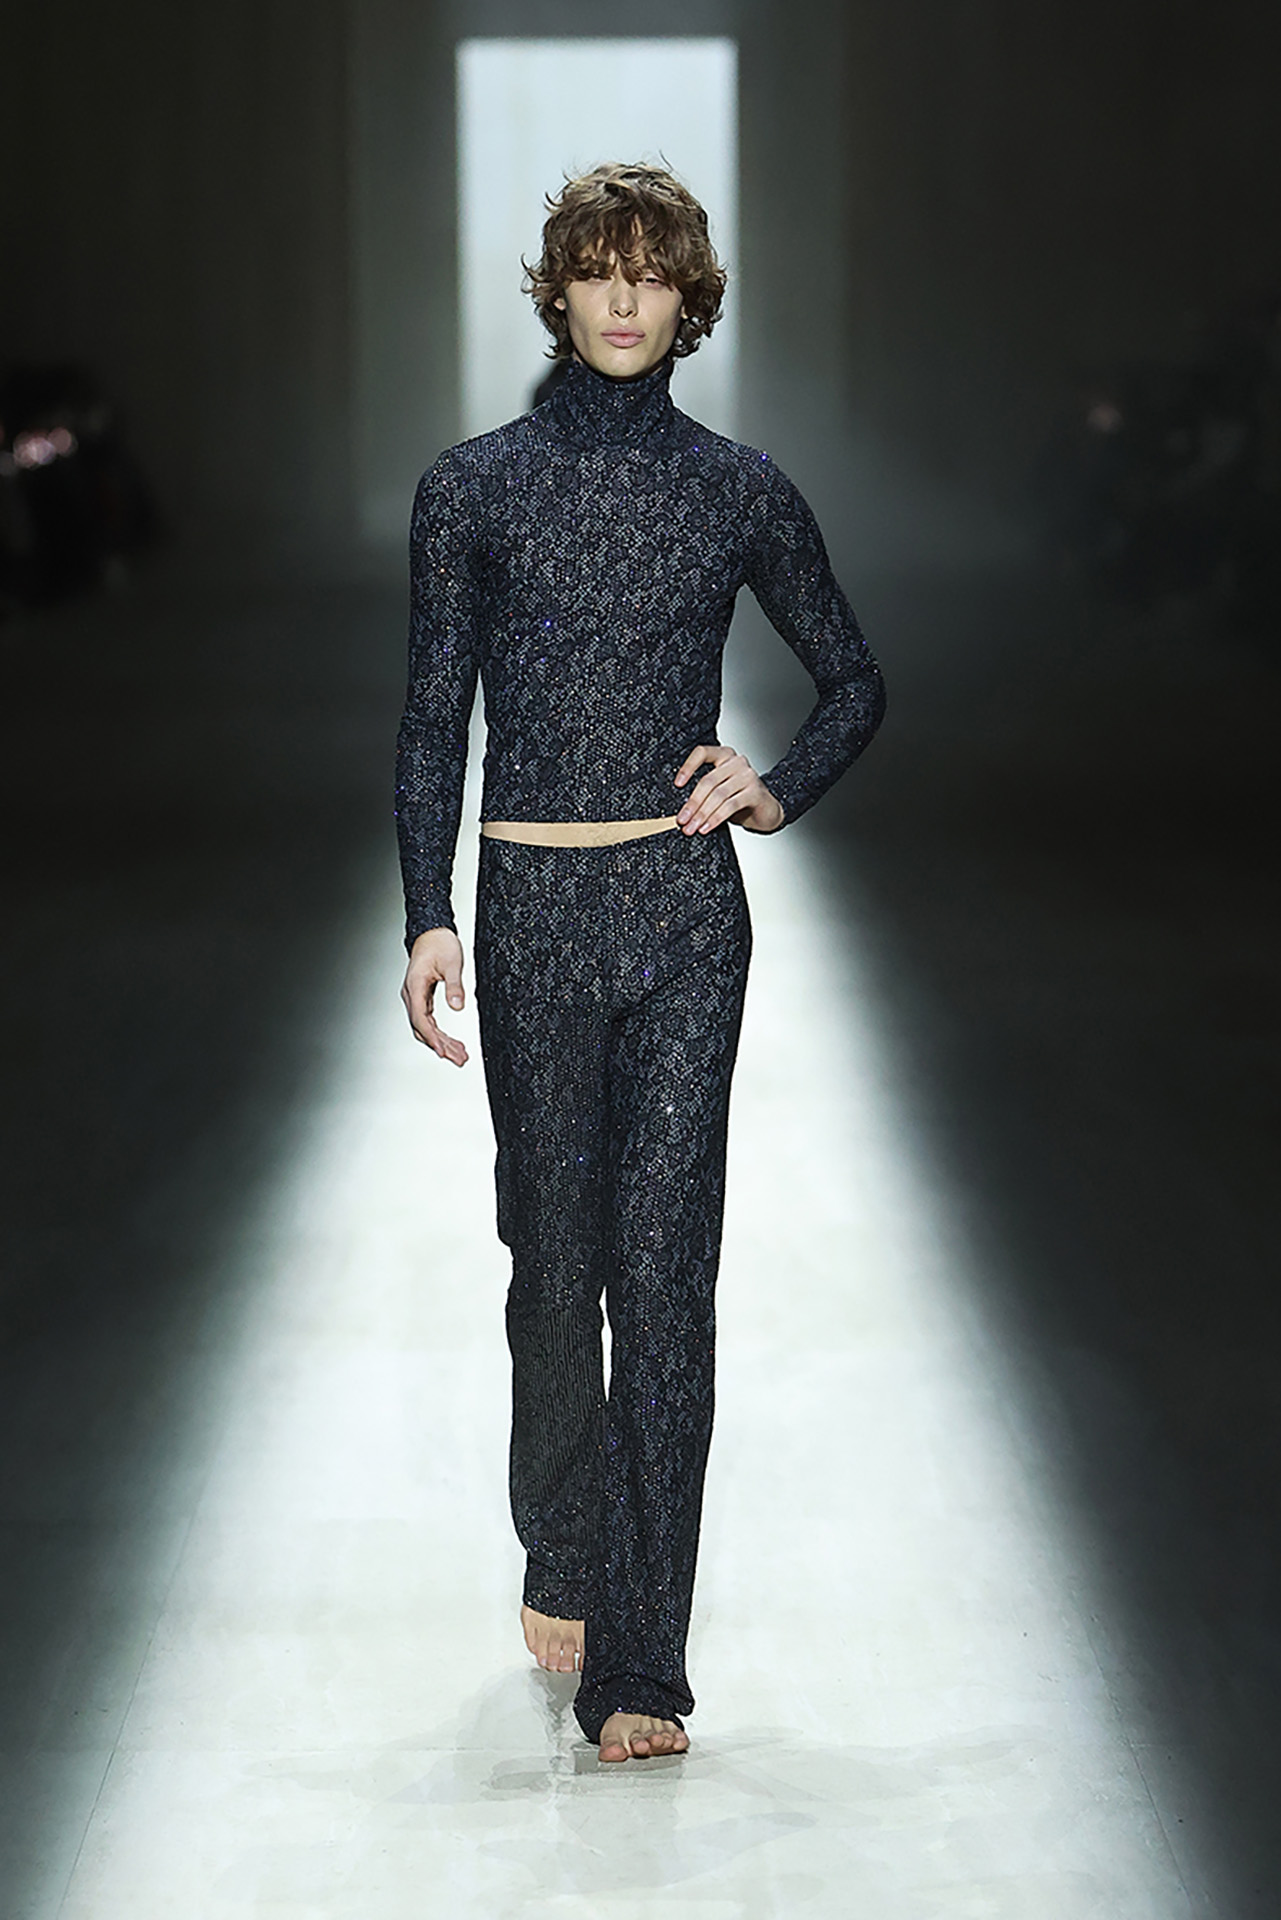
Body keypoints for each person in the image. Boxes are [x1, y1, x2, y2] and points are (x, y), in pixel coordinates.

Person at [396, 163, 885, 1764]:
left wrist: (773, 785)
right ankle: (563, 1543)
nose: (623, 298)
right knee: (555, 1270)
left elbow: (852, 680)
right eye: (597, 271)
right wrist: (426, 911)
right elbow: (432, 720)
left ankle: (642, 1666)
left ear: (688, 299)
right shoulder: (472, 490)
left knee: (666, 1284)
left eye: (651, 273)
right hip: (531, 913)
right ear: (557, 292)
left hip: (683, 920)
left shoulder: (738, 491)